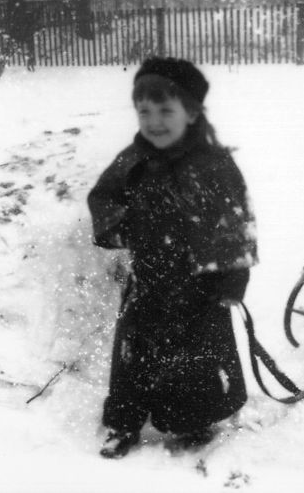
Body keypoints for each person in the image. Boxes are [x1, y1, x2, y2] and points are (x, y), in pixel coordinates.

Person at [87, 57, 258, 459]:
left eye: (166, 110)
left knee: (195, 360)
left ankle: (192, 420)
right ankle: (123, 424)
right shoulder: (134, 159)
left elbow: (236, 222)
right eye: (145, 111)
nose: (154, 121)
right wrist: (123, 226)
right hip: (148, 279)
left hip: (200, 286)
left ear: (193, 112)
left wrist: (233, 279)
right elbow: (103, 197)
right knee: (134, 357)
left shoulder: (214, 165)